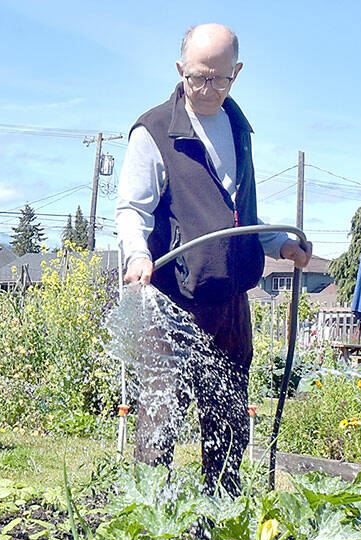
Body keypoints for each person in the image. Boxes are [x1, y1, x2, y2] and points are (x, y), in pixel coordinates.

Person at [114, 23, 311, 496]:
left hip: (229, 302)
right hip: (170, 299)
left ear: (236, 73)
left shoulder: (239, 129)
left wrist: (280, 246)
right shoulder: (155, 130)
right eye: (198, 78)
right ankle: (149, 524)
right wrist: (138, 255)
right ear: (180, 70)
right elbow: (132, 209)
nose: (207, 89)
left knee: (227, 417)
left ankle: (218, 516)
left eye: (220, 79)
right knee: (161, 417)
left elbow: (244, 218)